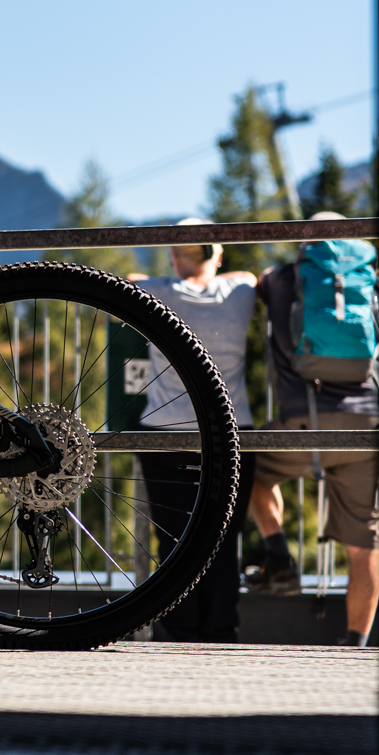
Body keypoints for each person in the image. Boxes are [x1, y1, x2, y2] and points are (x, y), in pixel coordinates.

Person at [245, 212, 379, 646]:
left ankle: (279, 556)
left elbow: (256, 283)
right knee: (364, 547)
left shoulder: (286, 279)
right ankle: (355, 642)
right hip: (366, 429)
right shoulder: (371, 280)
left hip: (302, 425)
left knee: (243, 463)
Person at [126, 218, 257, 643]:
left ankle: (178, 629)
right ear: (217, 254)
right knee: (224, 537)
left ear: (174, 256)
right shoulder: (240, 293)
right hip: (231, 432)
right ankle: (221, 629)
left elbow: (128, 279)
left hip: (165, 433)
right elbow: (248, 274)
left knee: (174, 538)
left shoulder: (157, 293)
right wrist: (216, 264)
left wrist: (168, 271)